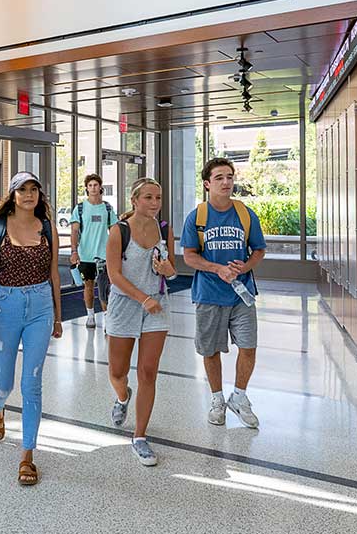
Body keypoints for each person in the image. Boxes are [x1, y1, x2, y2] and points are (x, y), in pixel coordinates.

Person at [0, 171, 63, 486]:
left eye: (34, 189)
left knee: (32, 385)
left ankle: (27, 456)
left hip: (40, 306)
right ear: (12, 194)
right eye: (22, 189)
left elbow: (54, 273)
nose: (29, 194)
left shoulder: (48, 228)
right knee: (3, 382)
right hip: (5, 308)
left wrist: (57, 316)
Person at [181, 158, 266, 429]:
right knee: (210, 350)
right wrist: (217, 268)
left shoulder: (245, 214)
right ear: (207, 184)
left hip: (242, 295)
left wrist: (246, 266)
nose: (226, 182)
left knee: (249, 347)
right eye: (219, 178)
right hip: (209, 295)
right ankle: (217, 400)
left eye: (229, 177)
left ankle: (239, 397)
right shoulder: (197, 217)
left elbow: (259, 250)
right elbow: (189, 257)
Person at [104, 177, 176, 466]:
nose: (155, 203)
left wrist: (168, 270)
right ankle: (123, 398)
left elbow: (172, 271)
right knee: (118, 372)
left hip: (157, 307)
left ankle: (140, 436)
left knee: (148, 372)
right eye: (148, 198)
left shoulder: (164, 229)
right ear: (134, 200)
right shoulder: (118, 231)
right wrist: (141, 298)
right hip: (124, 305)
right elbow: (114, 276)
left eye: (158, 198)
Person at [69, 173, 118, 329]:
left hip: (104, 256)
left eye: (95, 185)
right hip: (86, 255)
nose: (93, 188)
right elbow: (74, 231)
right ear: (86, 189)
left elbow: (114, 229)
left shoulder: (107, 208)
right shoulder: (81, 208)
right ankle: (90, 316)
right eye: (90, 185)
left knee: (104, 288)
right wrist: (74, 251)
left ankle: (106, 318)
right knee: (88, 286)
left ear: (100, 187)